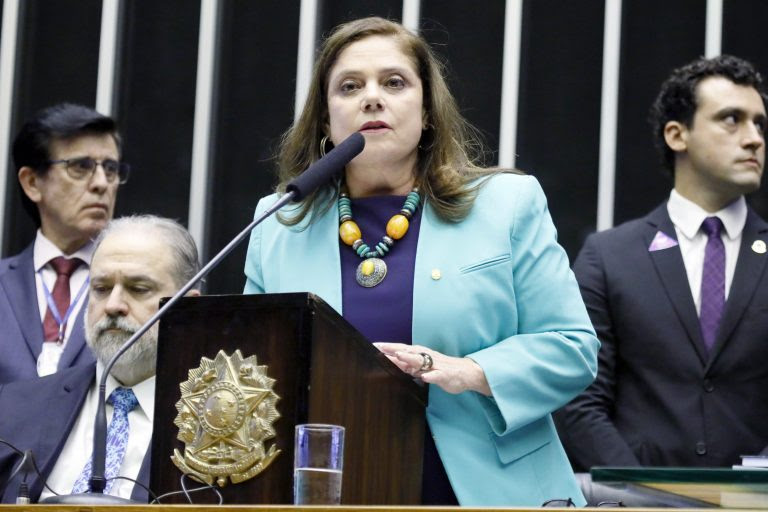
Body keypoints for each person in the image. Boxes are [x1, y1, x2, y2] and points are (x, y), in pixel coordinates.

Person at [243, 17, 599, 506]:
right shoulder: (279, 222)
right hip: (335, 492)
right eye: (349, 86)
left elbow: (571, 348)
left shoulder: (507, 204)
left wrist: (467, 371)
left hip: (489, 491)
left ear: (427, 110)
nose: (372, 97)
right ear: (326, 120)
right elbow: (257, 378)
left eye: (394, 82)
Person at [557, 55, 768, 470]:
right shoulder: (610, 256)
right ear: (677, 135)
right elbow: (577, 398)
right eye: (732, 119)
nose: (754, 138)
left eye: (760, 123)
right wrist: (641, 492)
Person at [0, 215, 201, 503]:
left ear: (188, 307)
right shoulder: (14, 407)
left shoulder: (219, 425)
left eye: (138, 289)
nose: (113, 305)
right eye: (101, 289)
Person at [0, 103, 129, 384]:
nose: (101, 183)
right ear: (32, 182)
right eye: (81, 167)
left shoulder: (140, 290)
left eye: (110, 168)